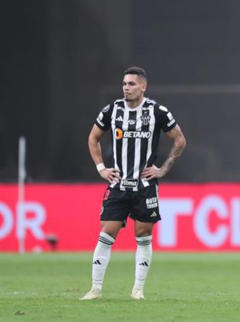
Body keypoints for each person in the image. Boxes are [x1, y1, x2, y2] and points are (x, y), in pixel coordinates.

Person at [80, 67, 187, 301]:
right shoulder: (112, 110)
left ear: (143, 87)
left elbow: (179, 140)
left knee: (143, 236)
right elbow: (93, 137)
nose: (126, 88)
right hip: (118, 184)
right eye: (124, 84)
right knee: (106, 233)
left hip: (145, 186)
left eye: (131, 84)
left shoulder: (157, 111)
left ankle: (138, 290)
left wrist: (163, 169)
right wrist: (101, 168)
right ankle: (95, 288)